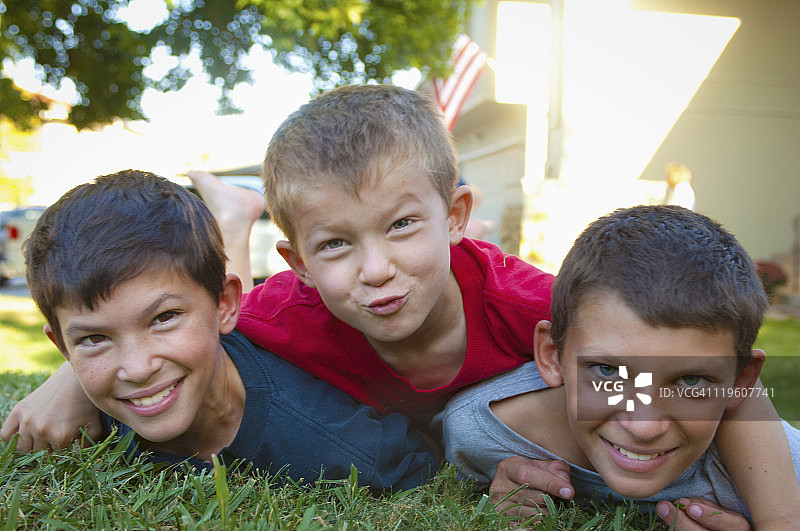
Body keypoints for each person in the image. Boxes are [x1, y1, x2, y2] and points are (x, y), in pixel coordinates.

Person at [2, 86, 798, 523]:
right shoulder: (286, 310)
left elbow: (711, 369)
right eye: (338, 245)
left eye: (404, 226)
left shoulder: (529, 301)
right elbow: (181, 321)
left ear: (456, 217)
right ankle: (234, 215)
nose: (377, 272)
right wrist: (77, 372)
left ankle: (234, 210)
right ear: (300, 263)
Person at [13, 169, 438, 489]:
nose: (138, 369)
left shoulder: (344, 451)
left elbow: (433, 460)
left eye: (164, 319)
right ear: (62, 346)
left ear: (225, 306)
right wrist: (69, 379)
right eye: (94, 338)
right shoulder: (76, 417)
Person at [440, 205, 800, 529]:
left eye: (691, 380)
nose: (643, 427)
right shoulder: (480, 433)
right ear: (551, 355)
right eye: (608, 371)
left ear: (741, 382)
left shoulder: (783, 473)